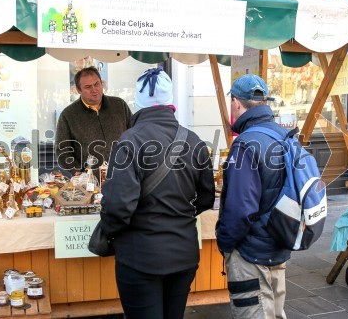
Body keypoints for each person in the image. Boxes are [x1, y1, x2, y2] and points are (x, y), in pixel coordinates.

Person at [99, 67, 215, 319]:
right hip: (183, 253)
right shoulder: (194, 141)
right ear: (170, 102)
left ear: (138, 103)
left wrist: (109, 230)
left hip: (140, 257)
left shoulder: (129, 141)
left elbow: (118, 207)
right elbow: (207, 197)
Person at [216, 74, 289, 319]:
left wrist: (225, 243)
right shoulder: (283, 135)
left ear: (236, 103)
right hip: (278, 243)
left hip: (250, 252)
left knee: (254, 312)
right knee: (275, 312)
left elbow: (240, 210)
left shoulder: (246, 143)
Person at [55, 66, 132, 174]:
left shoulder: (119, 105)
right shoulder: (68, 115)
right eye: (88, 87)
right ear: (78, 90)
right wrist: (78, 172)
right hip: (90, 182)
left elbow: (134, 135)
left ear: (101, 83)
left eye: (97, 84)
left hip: (124, 174)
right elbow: (63, 151)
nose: (94, 90)